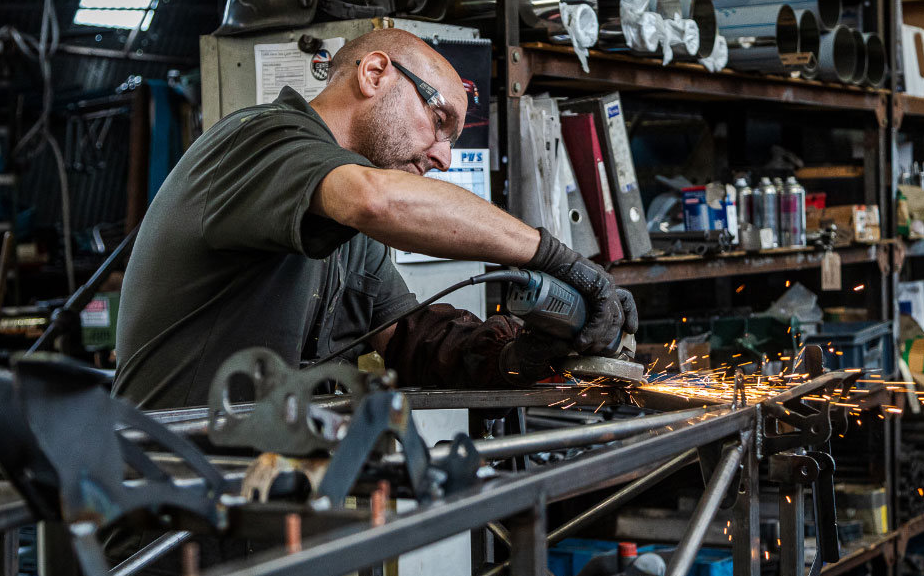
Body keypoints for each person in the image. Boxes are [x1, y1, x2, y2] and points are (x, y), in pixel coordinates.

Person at [114, 28, 637, 410]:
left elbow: (409, 340)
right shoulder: (256, 139)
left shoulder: (346, 232)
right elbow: (375, 199)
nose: (444, 157)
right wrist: (555, 257)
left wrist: (519, 352)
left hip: (264, 515)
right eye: (439, 121)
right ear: (374, 74)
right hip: (168, 521)